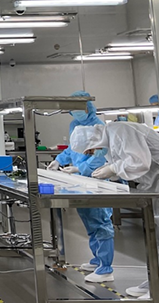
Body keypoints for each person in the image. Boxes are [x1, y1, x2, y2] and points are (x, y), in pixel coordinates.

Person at [70, 122, 159, 303]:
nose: (93, 153)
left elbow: (139, 162)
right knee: (156, 238)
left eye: (90, 150)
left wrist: (112, 169)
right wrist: (112, 170)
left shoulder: (119, 130)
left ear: (93, 140)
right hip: (153, 185)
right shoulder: (110, 139)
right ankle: (154, 283)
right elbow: (129, 162)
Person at [46, 91, 115, 283]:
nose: (75, 112)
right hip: (80, 181)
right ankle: (97, 259)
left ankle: (106, 268)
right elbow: (72, 148)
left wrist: (81, 168)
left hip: (96, 179)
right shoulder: (74, 125)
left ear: (88, 107)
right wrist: (59, 160)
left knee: (100, 222)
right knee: (89, 221)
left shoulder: (98, 126)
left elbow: (100, 155)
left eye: (79, 108)